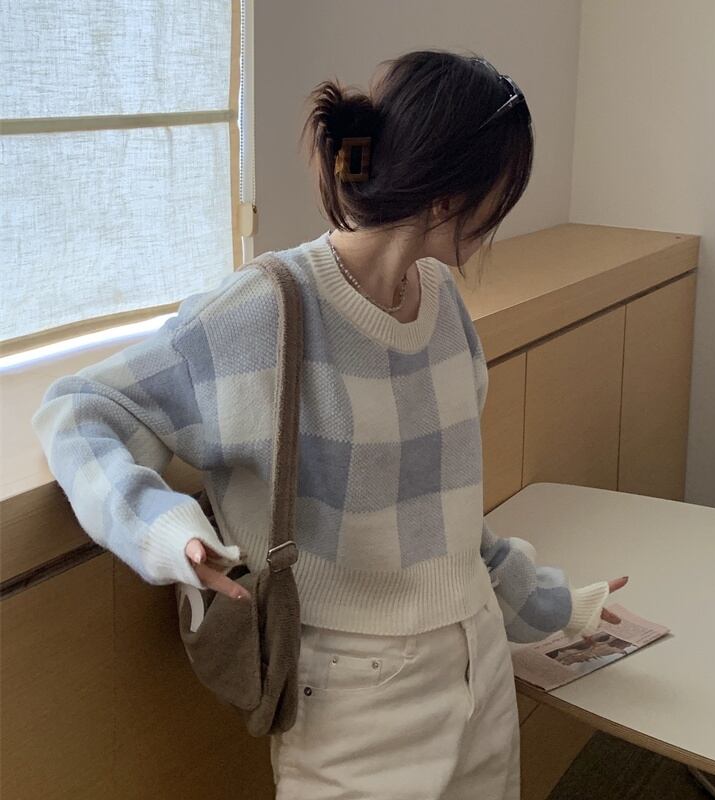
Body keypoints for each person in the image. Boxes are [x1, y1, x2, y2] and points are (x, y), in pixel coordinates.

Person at [31, 48, 629, 800]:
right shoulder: (265, 311)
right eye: (499, 193)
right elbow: (80, 408)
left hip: (480, 678)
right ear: (447, 198)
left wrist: (557, 605)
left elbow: (451, 526)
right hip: (353, 706)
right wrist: (166, 531)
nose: (500, 219)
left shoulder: (444, 304)